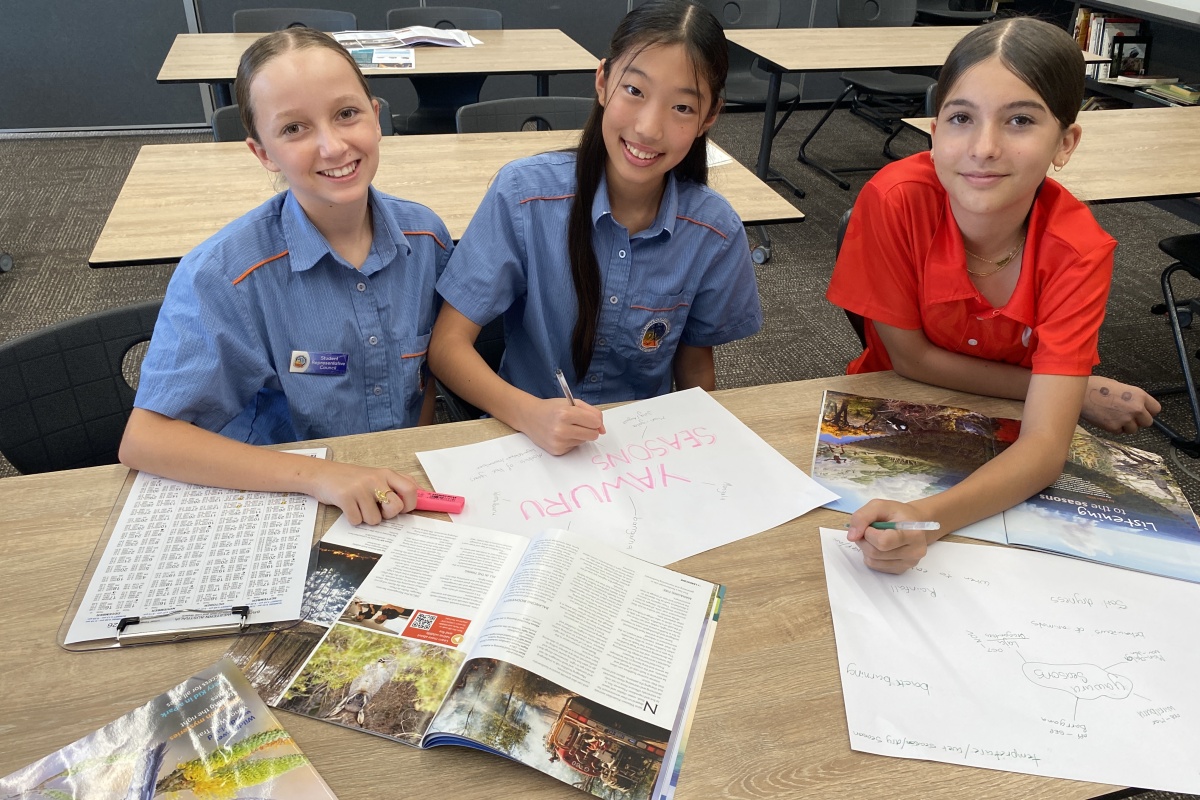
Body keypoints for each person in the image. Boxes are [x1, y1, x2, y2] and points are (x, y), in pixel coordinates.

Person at [826, 17, 1161, 573]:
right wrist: (1070, 391)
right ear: (934, 133)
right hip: (891, 409)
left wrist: (926, 520)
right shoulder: (893, 200)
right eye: (961, 118)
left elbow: (1044, 449)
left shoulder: (1078, 251)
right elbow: (909, 360)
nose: (984, 147)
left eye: (1021, 121)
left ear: (1066, 143)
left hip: (1009, 448)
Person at [119, 27, 452, 525]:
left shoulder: (426, 238)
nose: (333, 146)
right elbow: (145, 440)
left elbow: (424, 374)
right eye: (294, 129)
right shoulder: (225, 275)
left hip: (391, 494)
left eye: (346, 114)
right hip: (276, 500)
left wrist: (407, 453)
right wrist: (323, 478)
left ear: (377, 117)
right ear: (263, 153)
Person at [427, 0, 763, 455]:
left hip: (645, 451)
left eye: (682, 107)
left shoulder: (714, 231)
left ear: (709, 117)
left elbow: (695, 367)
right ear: (603, 82)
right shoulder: (524, 195)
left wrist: (701, 451)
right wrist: (529, 413)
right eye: (635, 91)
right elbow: (447, 346)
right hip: (524, 435)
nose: (648, 128)